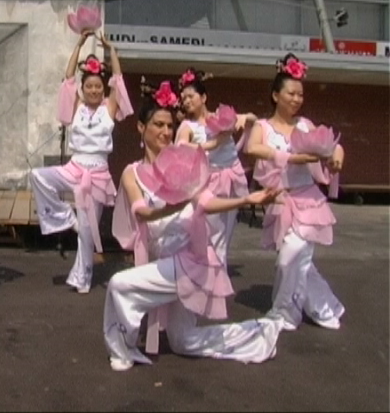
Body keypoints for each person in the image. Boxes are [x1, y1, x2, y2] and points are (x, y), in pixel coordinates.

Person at [105, 80, 283, 372]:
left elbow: (207, 202)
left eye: (169, 126)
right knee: (183, 341)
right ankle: (256, 332)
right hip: (164, 259)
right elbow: (143, 213)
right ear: (140, 127)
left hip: (190, 260)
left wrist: (246, 199)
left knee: (119, 285)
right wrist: (173, 205)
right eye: (158, 125)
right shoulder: (132, 172)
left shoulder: (185, 165)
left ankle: (122, 350)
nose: (166, 132)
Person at [244, 53, 345, 331]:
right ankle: (326, 308)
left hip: (308, 199)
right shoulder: (263, 127)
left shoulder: (304, 125)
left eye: (300, 94)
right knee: (297, 262)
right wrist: (290, 157)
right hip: (279, 200)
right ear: (276, 95)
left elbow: (331, 144)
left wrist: (337, 156)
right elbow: (253, 148)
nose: (297, 99)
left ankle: (285, 312)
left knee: (292, 256)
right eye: (291, 93)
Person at [30, 30, 133, 294]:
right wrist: (78, 44)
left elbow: (118, 80)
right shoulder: (76, 106)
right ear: (83, 89)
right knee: (38, 176)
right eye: (89, 86)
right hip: (74, 167)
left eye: (98, 86)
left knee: (87, 232)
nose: (94, 90)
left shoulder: (109, 108)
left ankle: (82, 278)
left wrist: (111, 50)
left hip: (97, 174)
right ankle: (65, 216)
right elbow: (68, 79)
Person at [175, 68, 257, 268]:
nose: (187, 101)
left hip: (232, 177)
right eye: (184, 98)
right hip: (210, 181)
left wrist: (243, 119)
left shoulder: (221, 117)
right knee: (213, 233)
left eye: (191, 96)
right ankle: (213, 273)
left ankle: (217, 271)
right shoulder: (187, 126)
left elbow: (253, 119)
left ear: (203, 97)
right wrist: (213, 144)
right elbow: (181, 147)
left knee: (225, 233)